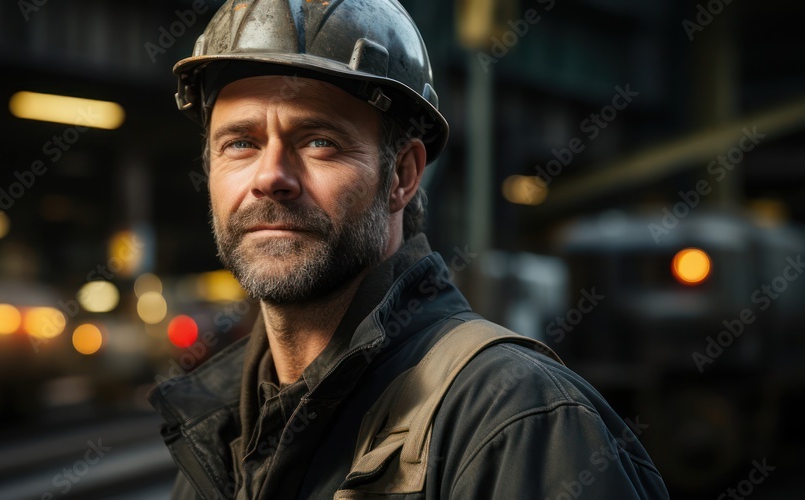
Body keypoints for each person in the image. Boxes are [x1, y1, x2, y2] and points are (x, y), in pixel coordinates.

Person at [149, 0, 669, 498]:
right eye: (240, 143)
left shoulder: (519, 421)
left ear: (401, 175)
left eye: (318, 141)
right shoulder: (221, 436)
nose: (271, 177)